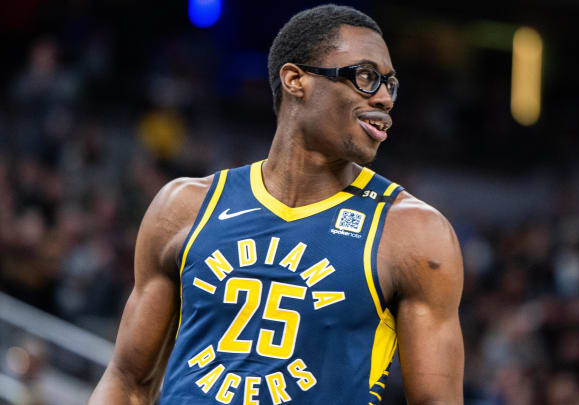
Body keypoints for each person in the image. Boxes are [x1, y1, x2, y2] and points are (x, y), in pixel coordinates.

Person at [89, 4, 464, 404]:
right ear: (295, 80)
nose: (386, 98)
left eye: (391, 84)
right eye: (366, 77)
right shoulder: (184, 206)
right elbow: (127, 379)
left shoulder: (414, 233)